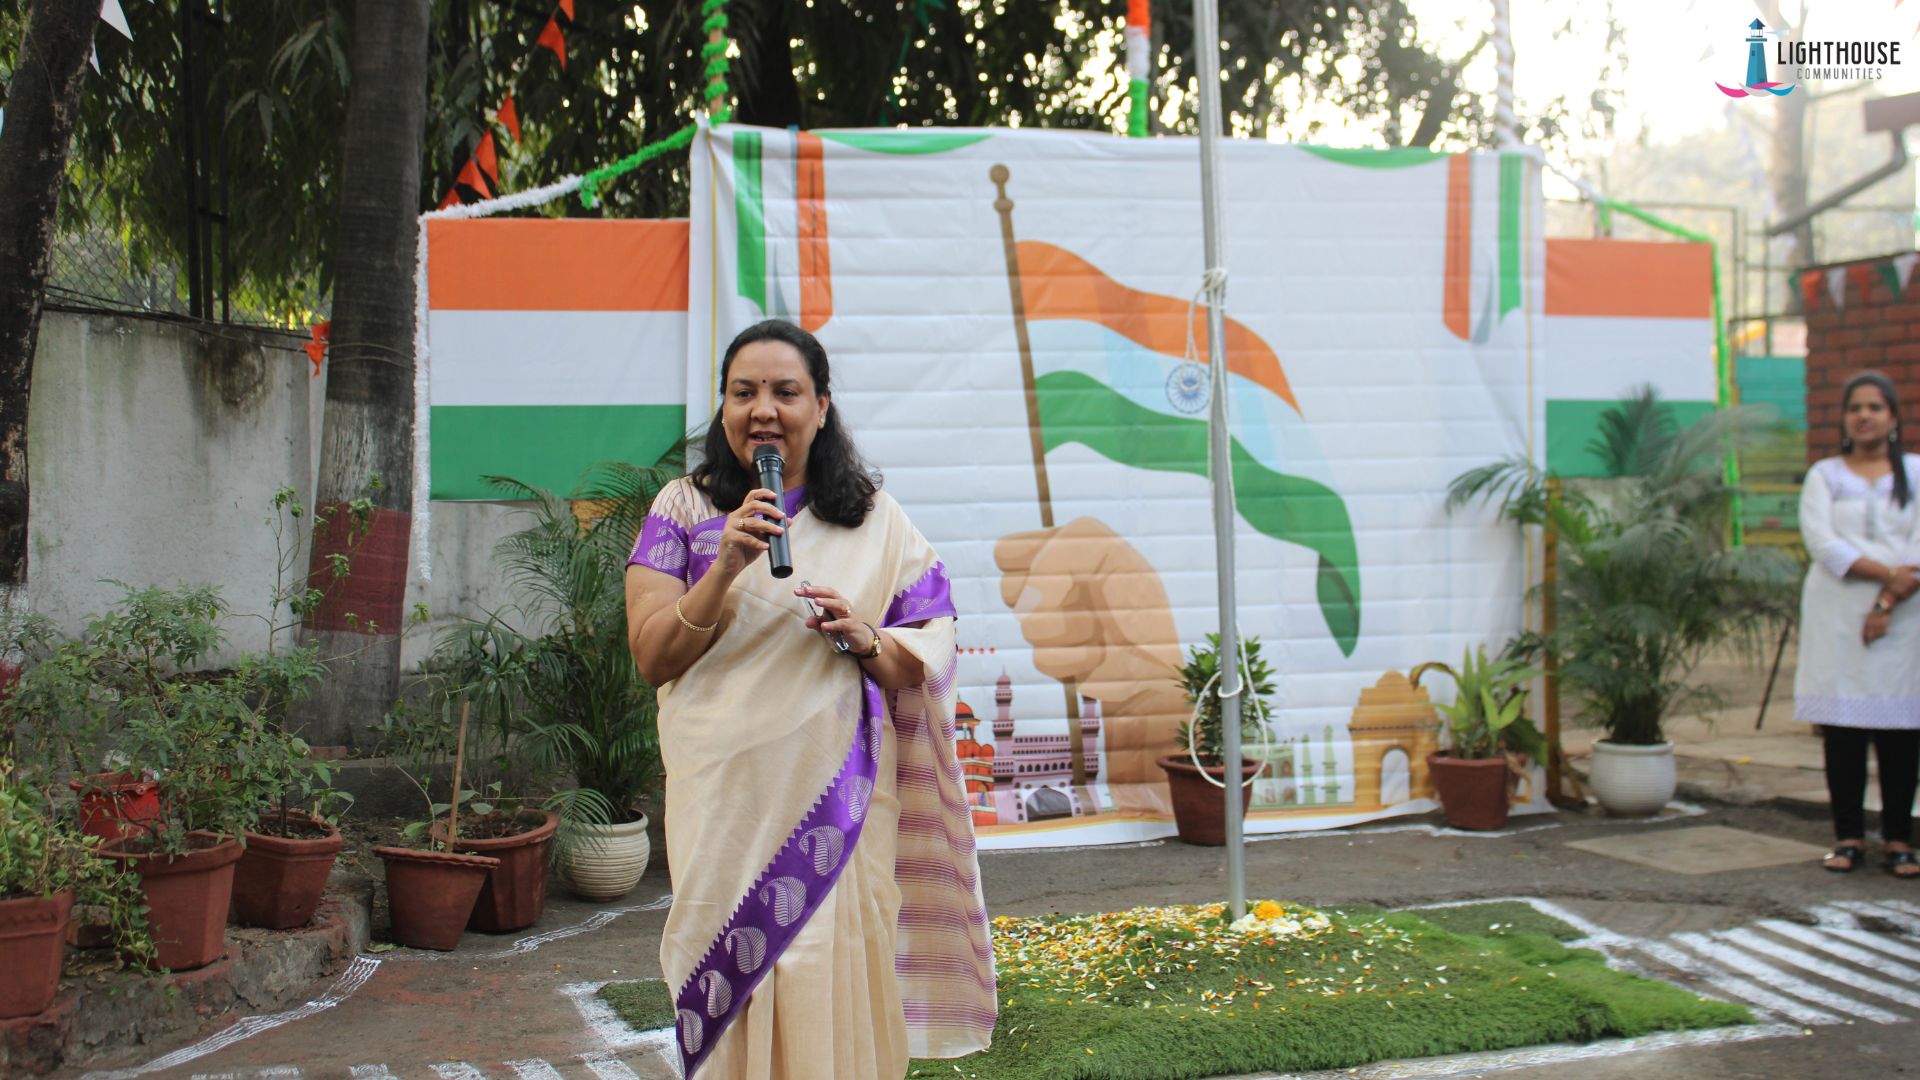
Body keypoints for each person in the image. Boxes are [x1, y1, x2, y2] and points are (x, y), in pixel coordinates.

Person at [624, 320, 995, 1078]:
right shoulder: (684, 509)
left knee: (832, 967)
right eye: (744, 392)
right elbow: (652, 656)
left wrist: (866, 638)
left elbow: (924, 652)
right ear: (724, 408)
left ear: (821, 408)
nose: (763, 409)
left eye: (785, 392)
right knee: (724, 968)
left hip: (836, 807)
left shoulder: (874, 519)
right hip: (722, 800)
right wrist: (725, 566)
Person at [1797, 370, 1920, 878]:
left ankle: (1899, 839)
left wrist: (1888, 599)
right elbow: (1823, 544)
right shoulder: (1825, 475)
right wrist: (1887, 575)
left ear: (1893, 417)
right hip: (1837, 613)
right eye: (1855, 408)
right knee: (1843, 728)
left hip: (1907, 615)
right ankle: (1847, 836)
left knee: (1901, 728)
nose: (1864, 416)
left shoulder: (1915, 472)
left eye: (1874, 407)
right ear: (1844, 419)